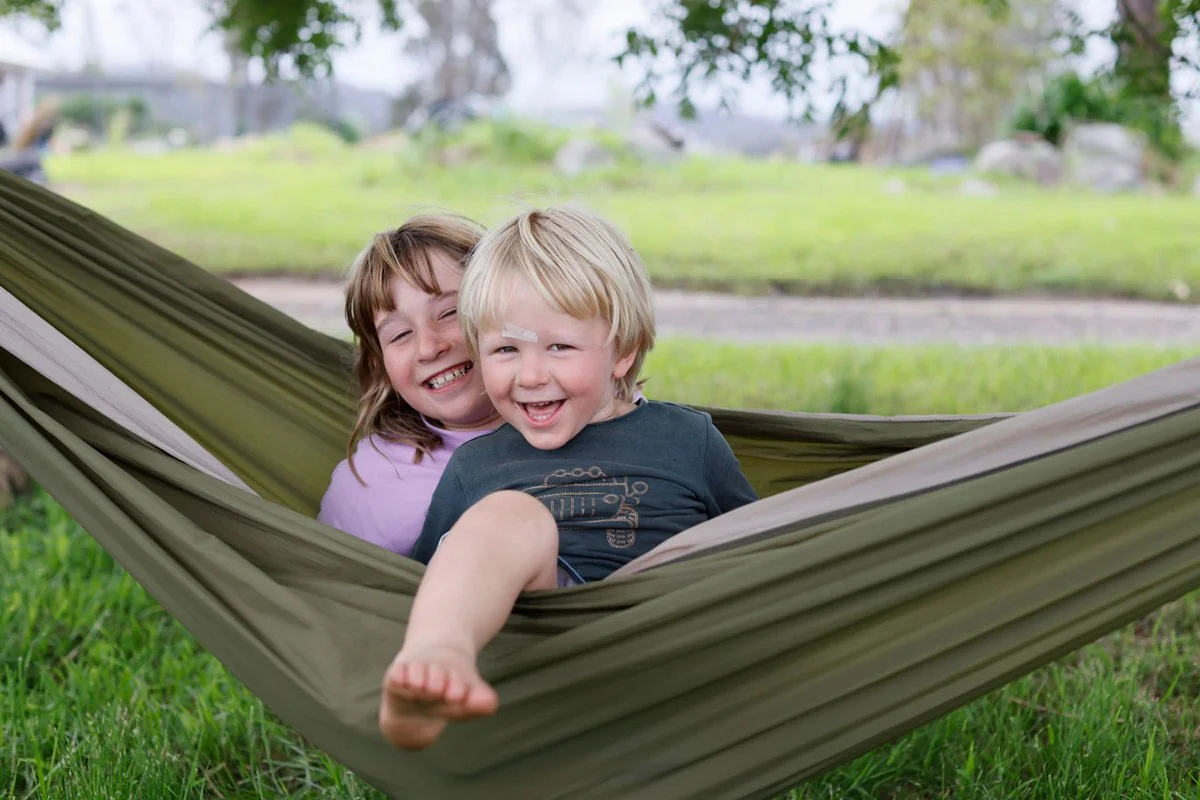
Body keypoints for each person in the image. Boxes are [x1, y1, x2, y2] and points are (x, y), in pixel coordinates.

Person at [378, 205, 757, 751]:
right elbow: (422, 582)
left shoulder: (687, 440)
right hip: (538, 659)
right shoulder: (477, 467)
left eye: (559, 346)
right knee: (510, 517)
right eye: (506, 349)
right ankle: (437, 660)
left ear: (622, 350)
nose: (531, 375)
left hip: (666, 642)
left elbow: (758, 547)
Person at [317, 213, 504, 555]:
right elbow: (329, 593)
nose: (429, 347)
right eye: (400, 334)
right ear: (380, 364)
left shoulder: (591, 421)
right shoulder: (372, 485)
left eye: (450, 313)